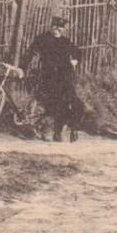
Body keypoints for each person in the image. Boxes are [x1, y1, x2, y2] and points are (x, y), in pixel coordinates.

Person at [21, 14, 83, 143]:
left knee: (77, 105)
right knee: (58, 104)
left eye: (60, 27)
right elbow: (30, 53)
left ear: (63, 29)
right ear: (51, 26)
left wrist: (75, 61)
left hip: (65, 78)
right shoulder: (42, 39)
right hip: (48, 77)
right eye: (55, 26)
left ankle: (73, 128)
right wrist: (22, 68)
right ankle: (55, 132)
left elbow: (77, 52)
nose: (57, 29)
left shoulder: (66, 42)